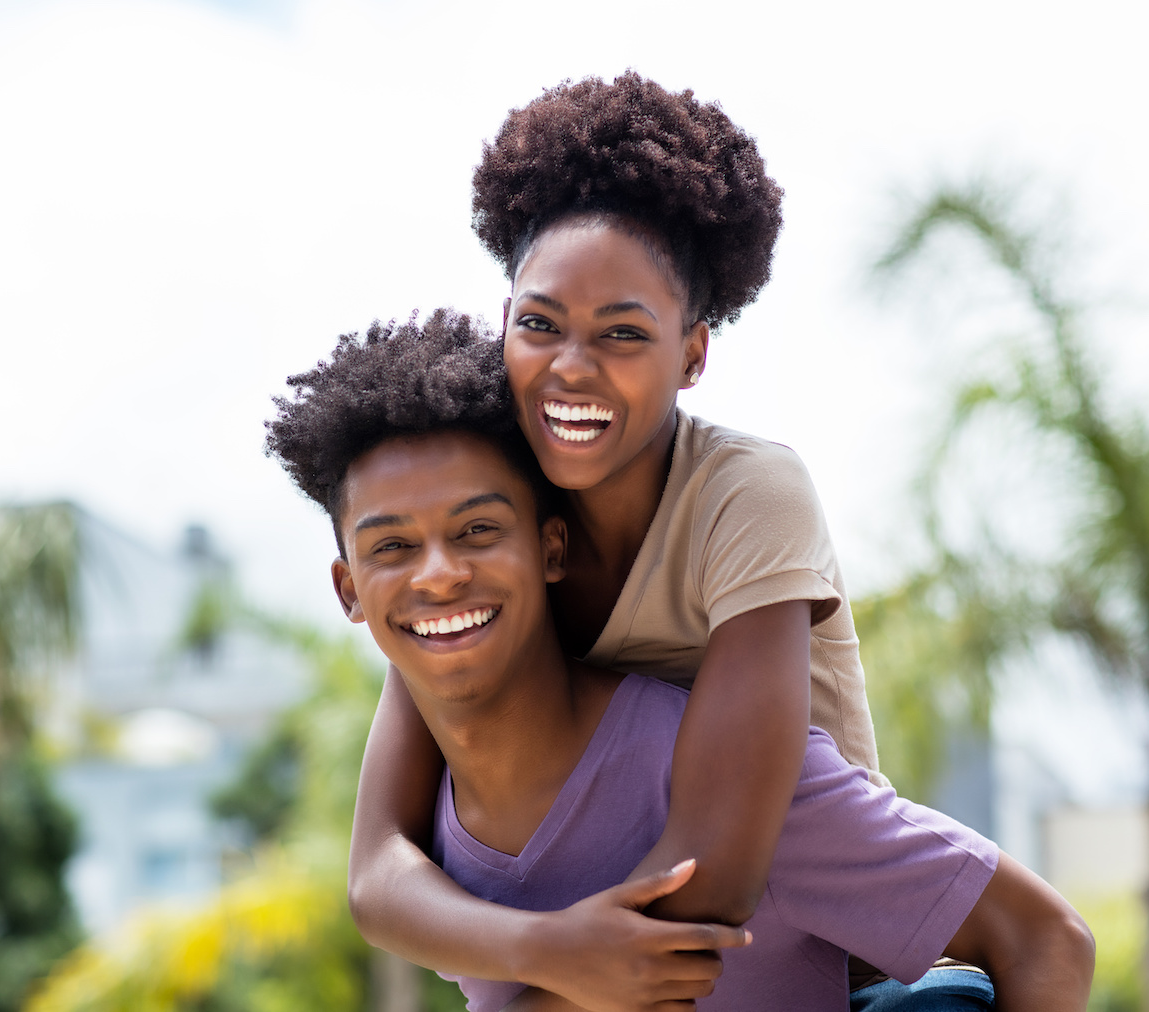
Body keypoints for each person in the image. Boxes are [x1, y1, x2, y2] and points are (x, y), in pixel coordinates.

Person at [347, 72, 971, 1009]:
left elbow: (715, 868)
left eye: (624, 333)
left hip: (820, 954)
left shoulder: (745, 496)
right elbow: (378, 870)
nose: (571, 367)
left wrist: (551, 977)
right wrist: (544, 947)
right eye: (540, 324)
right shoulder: (487, 531)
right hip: (609, 953)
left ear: (693, 352)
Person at [265, 311, 1095, 1011]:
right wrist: (554, 951)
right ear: (349, 589)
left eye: (480, 530)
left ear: (551, 547)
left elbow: (1048, 939)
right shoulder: (427, 816)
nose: (439, 573)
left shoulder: (733, 777)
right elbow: (373, 882)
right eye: (393, 547)